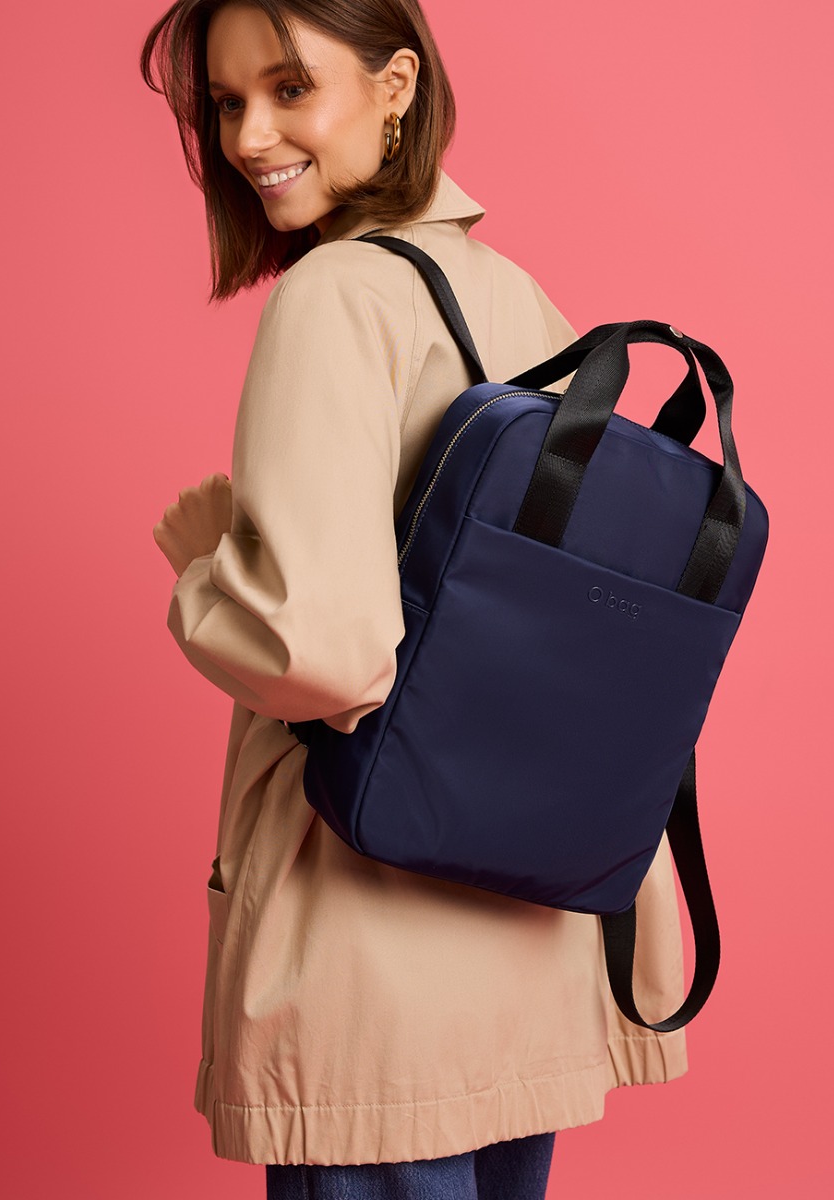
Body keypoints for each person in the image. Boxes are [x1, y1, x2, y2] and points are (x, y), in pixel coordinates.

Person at [141, 1, 690, 1196]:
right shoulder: (520, 300)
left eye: (289, 88)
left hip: (372, 960)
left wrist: (205, 572)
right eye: (227, 103)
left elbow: (325, 653)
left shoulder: (336, 294)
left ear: (396, 85)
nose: (248, 136)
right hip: (528, 946)